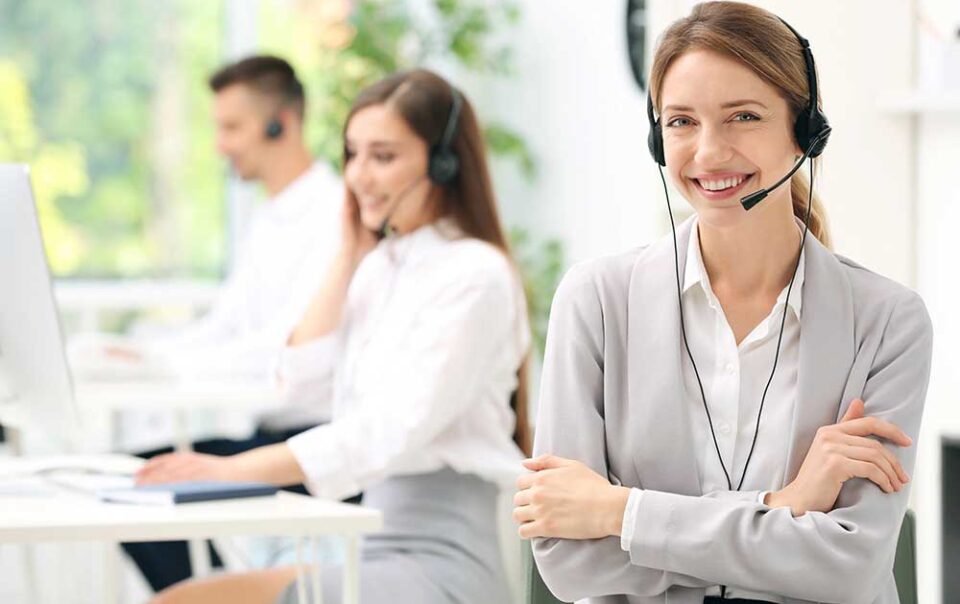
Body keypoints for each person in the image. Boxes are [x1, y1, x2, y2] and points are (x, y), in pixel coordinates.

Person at [514, 3, 932, 603]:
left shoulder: (888, 320)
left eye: (743, 116)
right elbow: (569, 562)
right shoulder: (596, 301)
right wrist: (780, 509)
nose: (709, 153)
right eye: (682, 122)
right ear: (658, 138)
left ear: (805, 131)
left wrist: (620, 513)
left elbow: (848, 566)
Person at [139, 68, 531, 604]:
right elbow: (300, 387)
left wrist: (229, 469)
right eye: (352, 154)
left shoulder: (474, 274)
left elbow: (387, 431)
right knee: (178, 598)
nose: (359, 176)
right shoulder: (379, 268)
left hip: (443, 559)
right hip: (368, 541)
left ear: (443, 163)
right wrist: (346, 256)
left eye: (383, 157)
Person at [120, 55, 344, 592]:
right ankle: (213, 595)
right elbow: (224, 328)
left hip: (310, 441)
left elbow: (279, 348)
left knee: (142, 486)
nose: (221, 144)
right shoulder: (268, 217)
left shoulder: (333, 214)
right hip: (266, 432)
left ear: (281, 124)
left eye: (232, 128)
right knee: (135, 478)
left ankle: (213, 597)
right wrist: (150, 357)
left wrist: (170, 367)